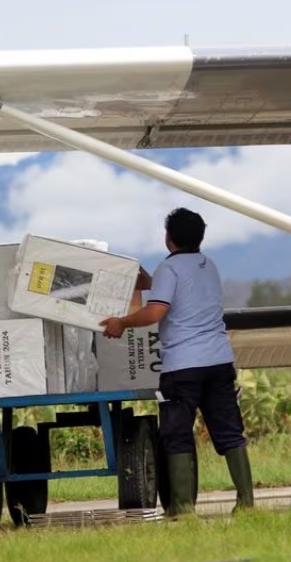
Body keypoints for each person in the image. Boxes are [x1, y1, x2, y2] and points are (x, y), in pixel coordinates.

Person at [99, 207, 253, 516]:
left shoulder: (168, 269)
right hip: (219, 360)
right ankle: (246, 503)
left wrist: (122, 323)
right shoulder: (209, 266)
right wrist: (147, 280)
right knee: (229, 431)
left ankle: (183, 508)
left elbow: (156, 311)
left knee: (177, 434)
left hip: (183, 365)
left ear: (168, 238)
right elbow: (186, 295)